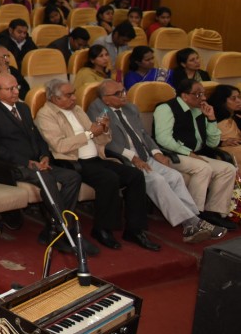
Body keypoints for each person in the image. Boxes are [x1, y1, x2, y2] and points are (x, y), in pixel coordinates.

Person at [88, 80, 222, 244]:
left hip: (145, 155)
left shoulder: (131, 108)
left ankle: (193, 221)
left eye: (124, 91)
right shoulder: (98, 109)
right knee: (157, 180)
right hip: (124, 159)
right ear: (105, 98)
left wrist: (157, 153)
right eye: (118, 94)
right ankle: (193, 223)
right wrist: (133, 157)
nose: (124, 95)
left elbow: (143, 135)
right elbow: (107, 142)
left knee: (175, 177)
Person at [35, 79, 158, 251]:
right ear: (54, 98)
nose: (74, 98)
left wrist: (104, 130)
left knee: (134, 175)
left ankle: (135, 229)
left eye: (74, 93)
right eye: (68, 95)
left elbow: (99, 138)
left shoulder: (77, 110)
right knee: (109, 179)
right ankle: (102, 229)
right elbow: (60, 145)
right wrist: (89, 133)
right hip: (73, 161)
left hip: (97, 158)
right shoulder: (45, 115)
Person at [0, 75, 91, 251]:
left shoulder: (23, 108)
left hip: (38, 164)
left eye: (16, 87)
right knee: (47, 180)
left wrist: (44, 156)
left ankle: (56, 229)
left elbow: (37, 137)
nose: (17, 91)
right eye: (10, 89)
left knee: (72, 177)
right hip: (13, 166)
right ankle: (66, 234)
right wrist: (28, 162)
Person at [153, 78, 238, 230]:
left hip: (195, 154)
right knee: (203, 168)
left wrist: (211, 119)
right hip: (170, 155)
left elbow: (212, 143)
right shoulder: (166, 108)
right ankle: (194, 216)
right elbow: (163, 139)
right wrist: (188, 153)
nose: (203, 98)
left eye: (203, 94)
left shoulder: (200, 110)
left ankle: (214, 212)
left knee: (228, 169)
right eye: (198, 94)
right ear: (184, 96)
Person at [207, 84, 241, 165]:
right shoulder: (211, 116)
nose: (238, 101)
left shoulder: (237, 115)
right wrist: (222, 143)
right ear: (222, 100)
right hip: (223, 150)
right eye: (233, 98)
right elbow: (205, 139)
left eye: (239, 97)